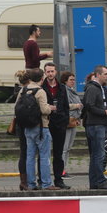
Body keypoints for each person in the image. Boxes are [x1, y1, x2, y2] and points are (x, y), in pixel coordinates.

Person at [16, 68, 58, 190]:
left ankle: (31, 183)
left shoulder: (23, 90)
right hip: (41, 127)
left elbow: (16, 107)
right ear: (42, 78)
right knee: (44, 156)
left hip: (27, 127)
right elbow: (44, 110)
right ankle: (46, 184)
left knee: (30, 156)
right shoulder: (40, 91)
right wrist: (51, 108)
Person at [82, 65, 107, 190]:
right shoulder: (93, 88)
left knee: (96, 155)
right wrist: (104, 112)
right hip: (96, 125)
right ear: (98, 75)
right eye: (105, 74)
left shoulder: (99, 88)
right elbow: (89, 106)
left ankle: (94, 182)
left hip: (99, 124)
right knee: (99, 155)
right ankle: (100, 181)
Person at [41, 62, 70, 190]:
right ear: (45, 73)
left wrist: (65, 120)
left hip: (60, 123)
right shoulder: (42, 87)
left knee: (58, 153)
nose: (50, 74)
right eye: (48, 71)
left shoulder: (62, 87)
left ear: (56, 72)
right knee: (44, 154)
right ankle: (42, 180)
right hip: (46, 123)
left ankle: (59, 179)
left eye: (52, 71)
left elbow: (66, 105)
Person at [60, 71, 82, 179]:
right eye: (71, 80)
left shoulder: (72, 91)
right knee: (64, 148)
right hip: (67, 121)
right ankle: (61, 171)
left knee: (68, 147)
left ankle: (64, 169)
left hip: (73, 121)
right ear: (65, 81)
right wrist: (76, 106)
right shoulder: (64, 90)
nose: (73, 82)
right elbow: (64, 105)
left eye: (74, 80)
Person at [14, 70, 31, 191]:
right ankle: (26, 181)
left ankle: (24, 181)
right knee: (27, 153)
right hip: (27, 125)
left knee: (23, 153)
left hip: (20, 124)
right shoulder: (27, 91)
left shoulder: (20, 91)